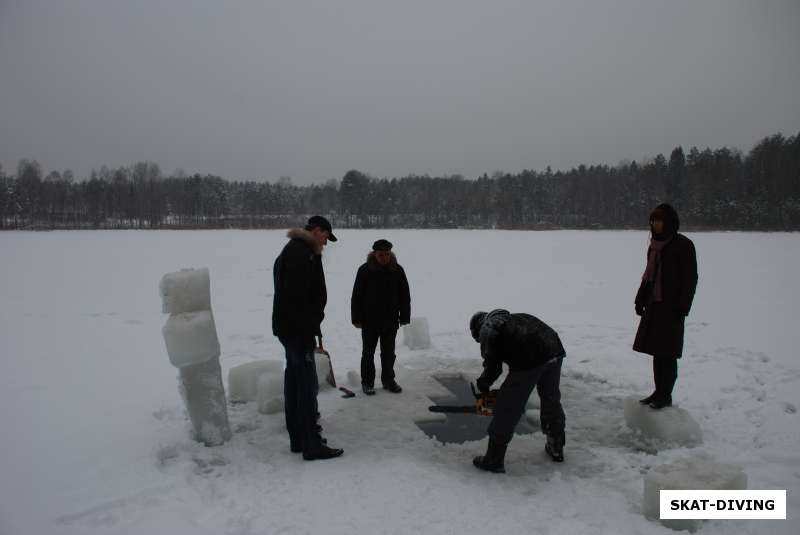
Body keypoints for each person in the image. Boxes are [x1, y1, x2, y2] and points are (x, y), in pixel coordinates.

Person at [272, 215, 343, 460]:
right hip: (297, 330)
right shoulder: (302, 253)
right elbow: (299, 297)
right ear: (315, 230)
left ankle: (299, 439)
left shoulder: (293, 250)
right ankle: (311, 443)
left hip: (290, 328)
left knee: (294, 381)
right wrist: (309, 324)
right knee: (304, 386)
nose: (325, 242)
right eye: (325, 236)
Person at [469, 309, 567, 473]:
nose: (481, 342)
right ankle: (556, 446)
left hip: (530, 358)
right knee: (550, 398)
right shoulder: (513, 319)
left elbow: (493, 367)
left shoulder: (488, 328)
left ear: (478, 330)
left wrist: (483, 385)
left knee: (508, 407)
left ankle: (494, 459)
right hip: (554, 348)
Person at [633, 203, 698, 410]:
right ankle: (658, 391)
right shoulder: (654, 246)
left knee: (668, 354)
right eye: (652, 221)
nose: (655, 224)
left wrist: (683, 307)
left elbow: (690, 279)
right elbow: (648, 277)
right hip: (655, 305)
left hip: (672, 308)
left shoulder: (683, 245)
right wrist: (640, 299)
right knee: (657, 351)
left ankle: (666, 394)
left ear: (669, 222)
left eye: (659, 220)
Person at [351, 239, 411, 395]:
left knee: (388, 353)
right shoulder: (364, 270)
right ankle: (367, 382)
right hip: (369, 320)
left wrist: (405, 316)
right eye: (381, 254)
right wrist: (356, 318)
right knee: (368, 353)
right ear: (374, 254)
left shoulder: (397, 270)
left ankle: (388, 380)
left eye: (387, 254)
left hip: (390, 320)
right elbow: (356, 296)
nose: (384, 257)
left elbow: (404, 295)